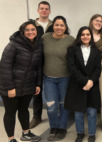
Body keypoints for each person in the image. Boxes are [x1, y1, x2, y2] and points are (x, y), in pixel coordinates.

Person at [0, 20, 42, 142]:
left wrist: (38, 83)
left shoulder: (38, 45)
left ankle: (26, 133)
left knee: (24, 110)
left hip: (28, 85)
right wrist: (9, 87)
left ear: (36, 31)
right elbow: (5, 67)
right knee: (10, 112)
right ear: (22, 32)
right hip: (12, 86)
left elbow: (38, 66)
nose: (30, 32)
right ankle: (11, 138)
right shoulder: (13, 45)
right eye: (27, 30)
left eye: (33, 29)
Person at [64, 26, 102, 142]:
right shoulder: (72, 49)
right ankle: (80, 133)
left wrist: (91, 81)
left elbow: (98, 69)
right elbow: (72, 68)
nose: (85, 36)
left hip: (92, 85)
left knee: (92, 111)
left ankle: (92, 134)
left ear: (91, 36)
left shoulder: (96, 51)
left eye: (88, 34)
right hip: (77, 84)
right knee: (78, 112)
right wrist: (85, 81)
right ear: (79, 36)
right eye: (83, 34)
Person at [42, 15, 75, 141]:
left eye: (62, 25)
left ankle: (62, 128)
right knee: (51, 106)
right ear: (53, 26)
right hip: (49, 78)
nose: (59, 27)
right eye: (56, 25)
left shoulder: (71, 40)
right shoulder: (45, 38)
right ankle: (53, 127)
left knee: (63, 105)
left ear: (65, 27)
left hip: (65, 78)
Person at [30, 0, 53, 129]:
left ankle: (55, 115)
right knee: (36, 90)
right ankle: (37, 116)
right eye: (42, 8)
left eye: (46, 8)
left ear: (49, 11)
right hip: (35, 62)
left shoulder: (54, 25)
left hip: (51, 61)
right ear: (38, 10)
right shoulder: (31, 25)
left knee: (52, 90)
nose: (44, 10)